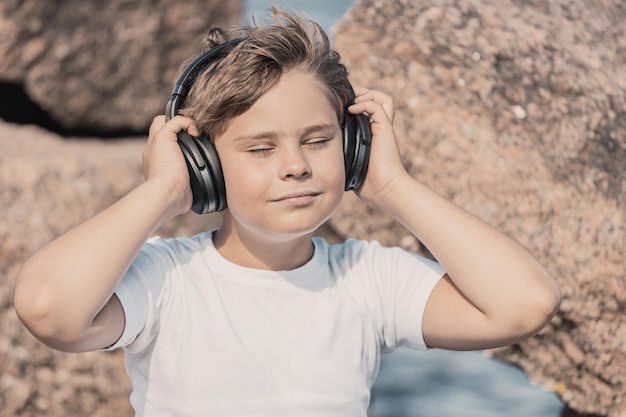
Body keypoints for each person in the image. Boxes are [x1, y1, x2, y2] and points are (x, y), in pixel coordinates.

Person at [14, 6, 560, 417]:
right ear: (202, 162)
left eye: (318, 141)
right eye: (261, 148)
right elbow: (47, 309)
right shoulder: (166, 280)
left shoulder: (367, 280)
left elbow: (523, 304)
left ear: (351, 148)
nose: (295, 165)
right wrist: (161, 191)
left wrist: (392, 185)